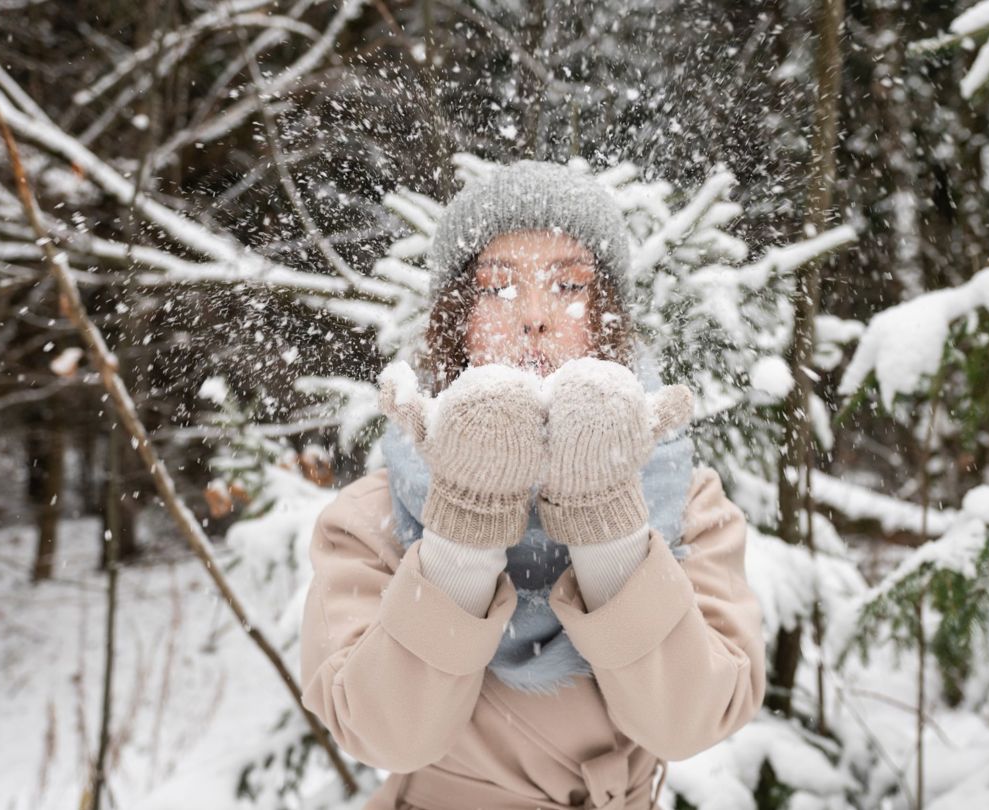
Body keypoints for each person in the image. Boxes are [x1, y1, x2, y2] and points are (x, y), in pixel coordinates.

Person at [299, 159, 767, 810]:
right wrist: (463, 519)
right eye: (497, 288)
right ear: (456, 319)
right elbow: (388, 735)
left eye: (569, 285)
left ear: (608, 319)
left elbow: (688, 723)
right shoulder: (369, 518)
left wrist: (606, 515)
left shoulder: (686, 501)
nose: (535, 318)